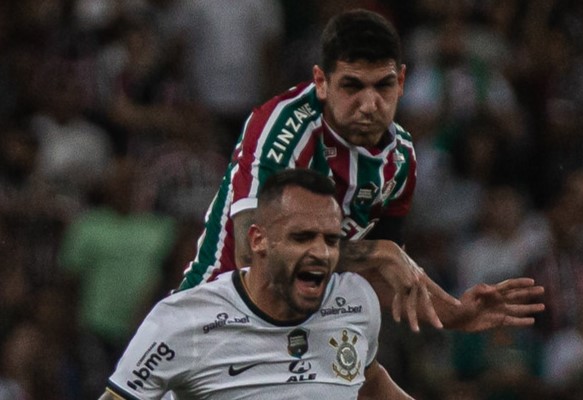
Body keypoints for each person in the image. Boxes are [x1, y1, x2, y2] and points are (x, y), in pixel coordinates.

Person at [178, 8, 544, 332]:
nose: (369, 104)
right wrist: (379, 252)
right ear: (322, 82)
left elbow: (385, 277)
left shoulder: (399, 158)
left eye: (383, 86)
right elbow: (249, 250)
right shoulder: (285, 126)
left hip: (300, 326)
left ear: (401, 82)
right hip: (218, 316)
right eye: (352, 86)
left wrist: (457, 314)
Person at [99, 169, 414, 399]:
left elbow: (368, 381)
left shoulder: (355, 300)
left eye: (331, 240)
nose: (320, 253)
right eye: (301, 237)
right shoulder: (184, 321)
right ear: (258, 240)